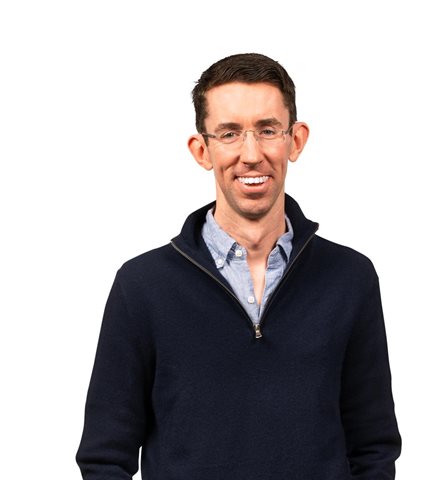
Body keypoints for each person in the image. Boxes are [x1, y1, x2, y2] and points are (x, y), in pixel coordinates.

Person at [76, 53, 401, 479]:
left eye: (267, 130)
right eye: (229, 133)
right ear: (202, 150)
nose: (251, 154)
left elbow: (373, 448)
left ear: (296, 140)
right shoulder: (142, 286)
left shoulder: (350, 278)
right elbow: (104, 459)